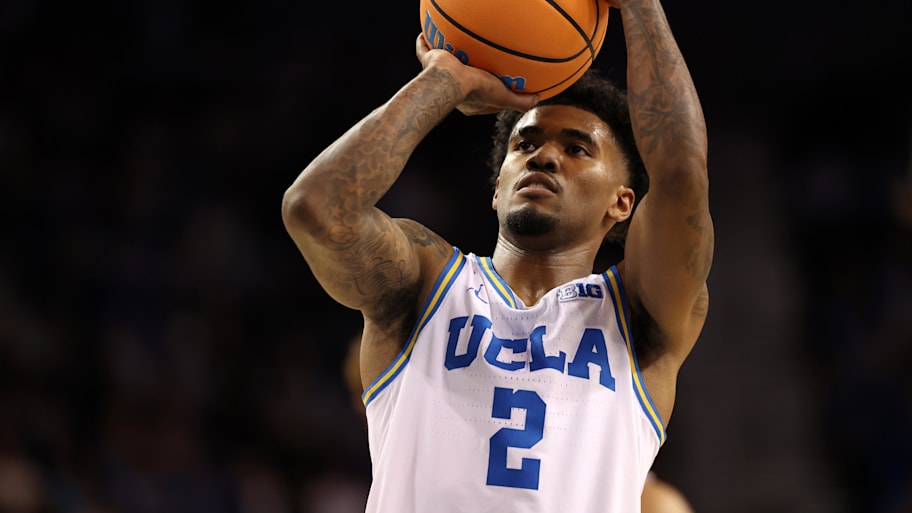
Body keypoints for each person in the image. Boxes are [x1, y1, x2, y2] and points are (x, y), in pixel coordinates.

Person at [282, 0, 712, 509]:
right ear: (497, 187)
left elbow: (682, 176)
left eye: (577, 148)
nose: (543, 156)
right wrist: (445, 80)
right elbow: (315, 207)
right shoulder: (425, 283)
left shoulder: (640, 315)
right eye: (524, 144)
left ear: (623, 203)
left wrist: (641, 6)